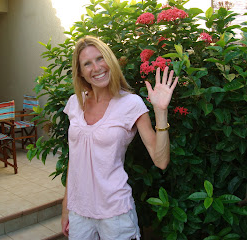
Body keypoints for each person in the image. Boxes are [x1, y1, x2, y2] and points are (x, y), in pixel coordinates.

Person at [61, 35, 179, 240]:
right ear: (80, 72)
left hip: (115, 214)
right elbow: (75, 159)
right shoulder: (74, 103)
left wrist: (161, 112)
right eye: (87, 63)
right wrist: (66, 207)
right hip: (79, 212)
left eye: (100, 58)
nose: (96, 68)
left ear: (110, 61)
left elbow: (161, 161)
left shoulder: (131, 104)